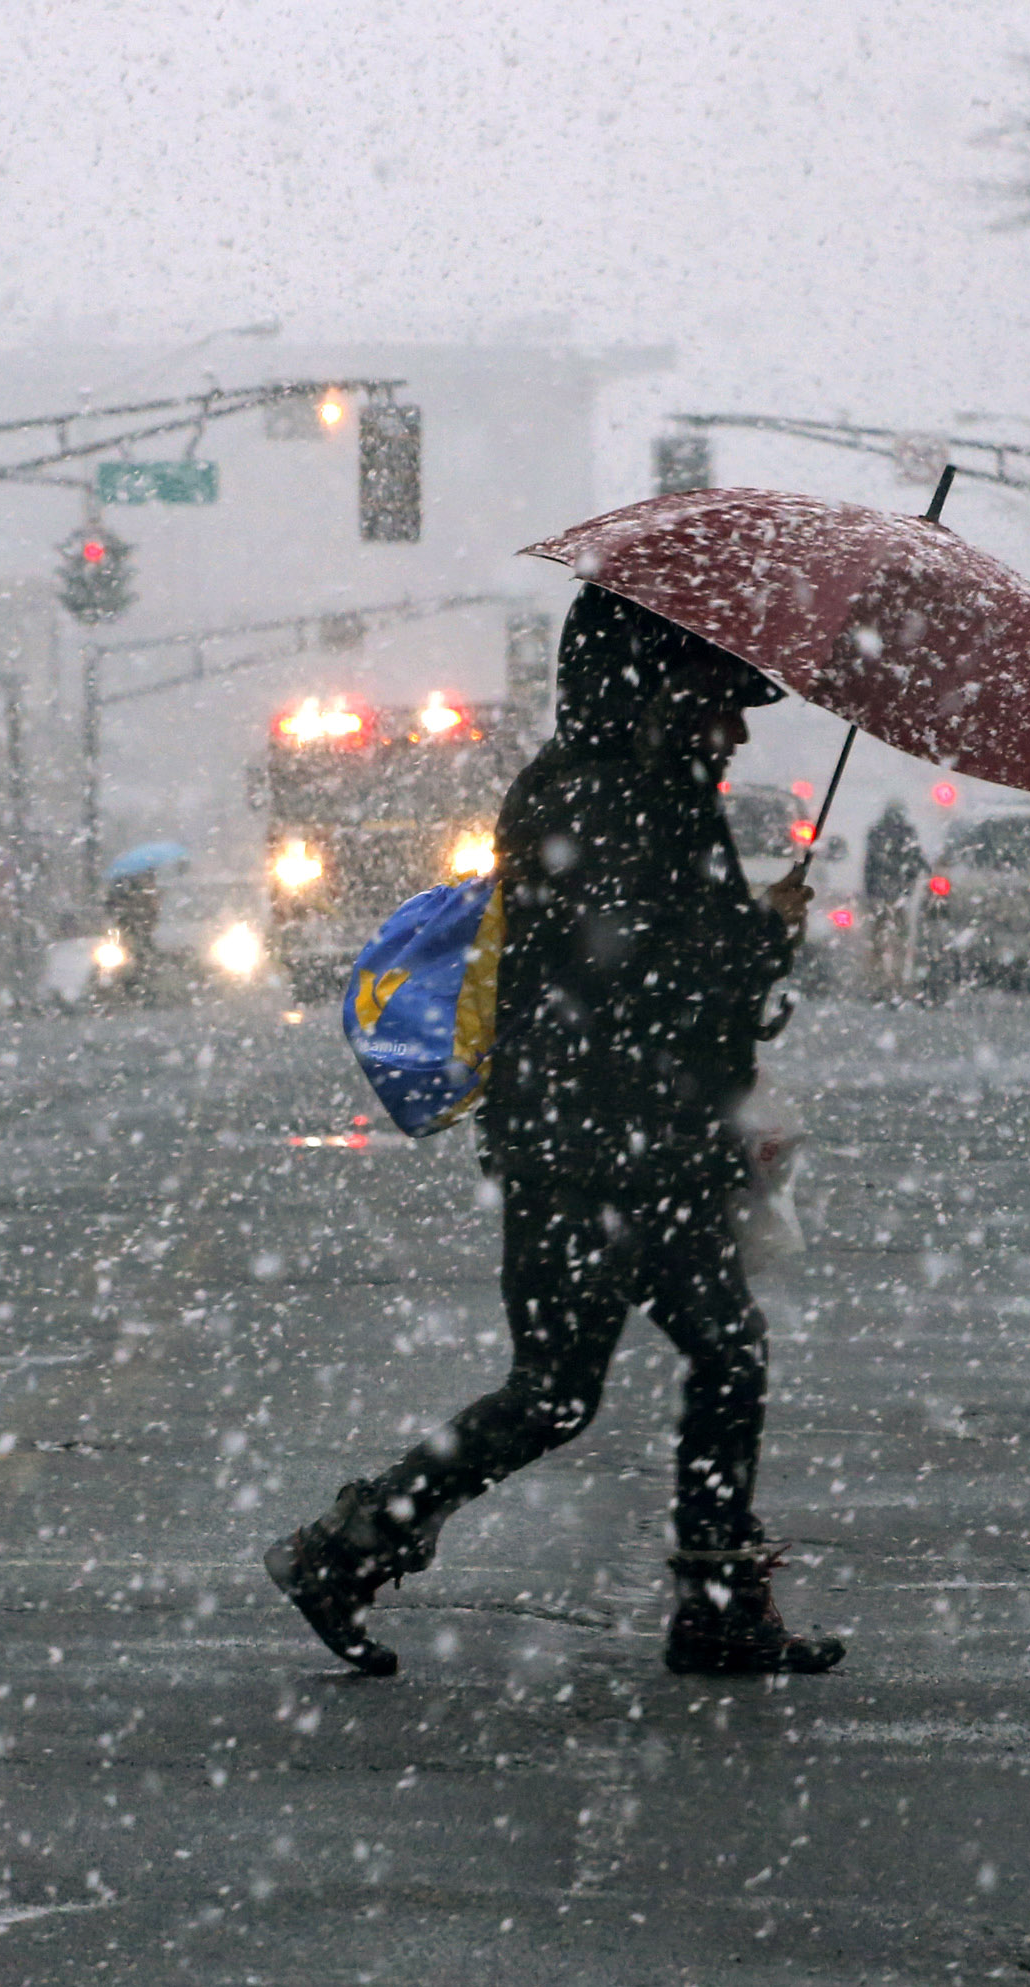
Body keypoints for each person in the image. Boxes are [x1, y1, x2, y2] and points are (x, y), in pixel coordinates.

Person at [267, 585, 844, 1678]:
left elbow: (666, 963)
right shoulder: (608, 800)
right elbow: (632, 977)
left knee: (706, 1355)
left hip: (634, 1139)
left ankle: (711, 1602)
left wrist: (745, 946)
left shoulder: (636, 791)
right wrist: (752, 939)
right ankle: (342, 1550)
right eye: (720, 703)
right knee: (568, 1387)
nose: (736, 730)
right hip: (593, 1148)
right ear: (656, 698)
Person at [861, 801, 925, 997]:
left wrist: (871, 893)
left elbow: (870, 865)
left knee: (879, 941)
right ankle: (896, 980)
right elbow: (914, 864)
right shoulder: (907, 833)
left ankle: (880, 981)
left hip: (881, 895)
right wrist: (907, 890)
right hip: (897, 895)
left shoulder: (877, 832)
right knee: (898, 941)